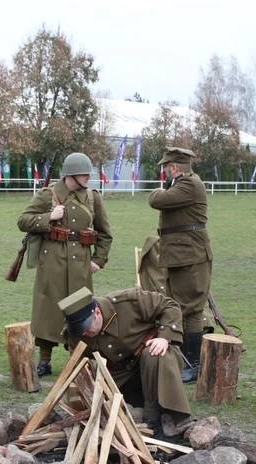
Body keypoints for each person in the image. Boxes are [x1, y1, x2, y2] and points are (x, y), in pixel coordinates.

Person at [17, 153, 112, 378]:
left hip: (80, 261)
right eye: (84, 173)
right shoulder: (48, 194)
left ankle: (77, 360)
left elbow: (105, 233)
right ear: (71, 174)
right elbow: (23, 221)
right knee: (48, 309)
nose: (89, 177)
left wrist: (99, 259)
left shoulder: (92, 197)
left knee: (80, 310)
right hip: (52, 261)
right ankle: (44, 361)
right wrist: (49, 217)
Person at [58, 286, 192, 437]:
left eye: (85, 327)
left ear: (97, 313)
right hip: (120, 374)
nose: (83, 333)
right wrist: (77, 402)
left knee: (153, 354)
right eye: (78, 330)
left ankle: (152, 418)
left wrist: (164, 336)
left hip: (155, 362)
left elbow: (170, 306)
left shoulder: (128, 302)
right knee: (106, 411)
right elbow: (77, 367)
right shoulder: (76, 333)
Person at [148, 147, 212, 384]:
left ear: (174, 168)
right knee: (177, 306)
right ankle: (184, 360)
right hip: (180, 255)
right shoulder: (183, 184)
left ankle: (193, 365)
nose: (164, 172)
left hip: (189, 256)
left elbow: (156, 199)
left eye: (166, 168)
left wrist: (158, 189)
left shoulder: (188, 185)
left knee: (191, 309)